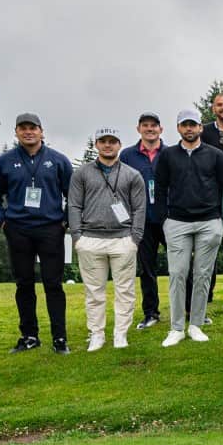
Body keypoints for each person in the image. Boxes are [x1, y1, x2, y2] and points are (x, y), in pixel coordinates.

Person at [0, 112, 74, 355]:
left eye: (32, 128)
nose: (28, 132)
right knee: (24, 284)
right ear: (16, 132)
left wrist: (65, 222)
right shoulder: (5, 161)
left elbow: (73, 195)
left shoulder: (58, 160)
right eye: (23, 128)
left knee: (53, 284)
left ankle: (60, 338)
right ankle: (29, 336)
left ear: (41, 131)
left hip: (51, 229)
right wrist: (2, 222)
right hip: (18, 230)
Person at [154, 109, 223, 349]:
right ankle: (176, 327)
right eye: (184, 125)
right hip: (177, 221)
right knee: (178, 273)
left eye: (193, 125)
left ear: (200, 127)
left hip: (209, 221)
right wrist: (164, 219)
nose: (189, 129)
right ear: (178, 128)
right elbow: (160, 188)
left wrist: (221, 219)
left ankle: (196, 324)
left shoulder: (215, 155)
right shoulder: (167, 155)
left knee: (202, 274)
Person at [67, 127, 147, 352]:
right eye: (103, 141)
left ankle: (120, 333)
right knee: (94, 291)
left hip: (123, 239)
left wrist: (135, 238)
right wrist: (77, 237)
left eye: (112, 141)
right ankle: (97, 334)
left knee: (125, 290)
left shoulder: (132, 174)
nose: (108, 145)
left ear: (119, 144)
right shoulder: (82, 173)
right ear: (96, 145)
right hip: (90, 239)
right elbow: (74, 205)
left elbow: (140, 208)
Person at [119, 112, 167, 331]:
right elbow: (119, 188)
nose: (150, 129)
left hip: (169, 218)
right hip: (141, 220)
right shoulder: (128, 155)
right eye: (145, 125)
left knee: (181, 266)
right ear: (138, 128)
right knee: (147, 268)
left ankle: (189, 310)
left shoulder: (170, 153)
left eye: (154, 125)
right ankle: (151, 313)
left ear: (161, 129)